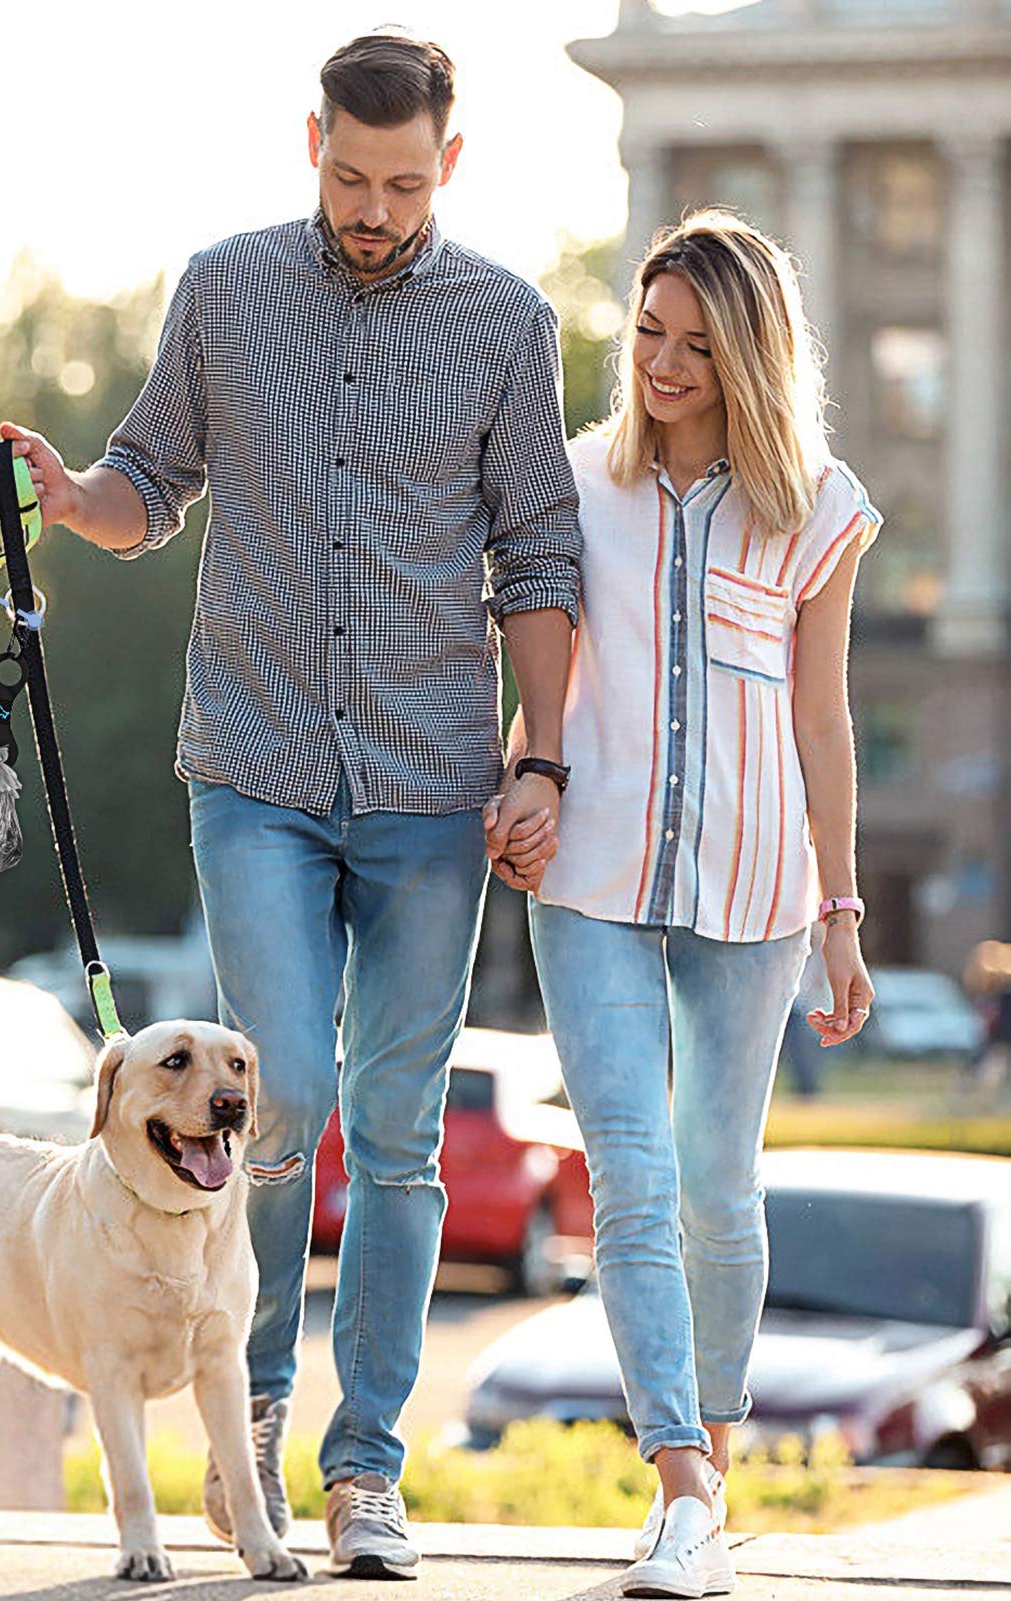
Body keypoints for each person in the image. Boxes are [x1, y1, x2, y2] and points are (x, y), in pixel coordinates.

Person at [0, 31, 580, 1580]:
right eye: (345, 175)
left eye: (400, 182)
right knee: (280, 1094)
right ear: (307, 139)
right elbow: (144, 483)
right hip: (250, 767)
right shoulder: (224, 286)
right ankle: (243, 1418)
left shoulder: (509, 322)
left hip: (430, 781)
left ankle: (364, 1469)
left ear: (447, 163)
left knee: (394, 1126)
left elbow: (538, 557)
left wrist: (539, 755)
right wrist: (68, 495)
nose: (370, 207)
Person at [486, 211, 878, 1599]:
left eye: (695, 345)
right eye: (646, 332)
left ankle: (709, 1481)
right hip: (586, 870)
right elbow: (535, 649)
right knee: (630, 1182)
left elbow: (821, 721)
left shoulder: (815, 506)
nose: (658, 363)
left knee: (718, 1184)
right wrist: (521, 775)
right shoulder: (573, 481)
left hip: (759, 883)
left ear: (749, 358)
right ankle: (680, 1483)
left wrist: (838, 904)